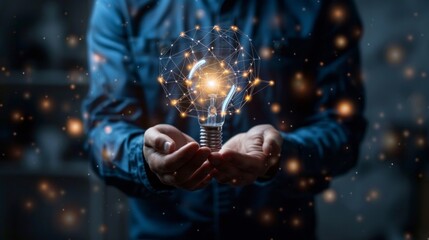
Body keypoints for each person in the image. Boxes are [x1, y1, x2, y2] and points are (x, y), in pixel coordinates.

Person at [83, 0, 367, 239]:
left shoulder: (321, 5)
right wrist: (145, 160)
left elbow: (342, 131)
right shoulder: (121, 4)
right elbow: (102, 130)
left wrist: (281, 154)